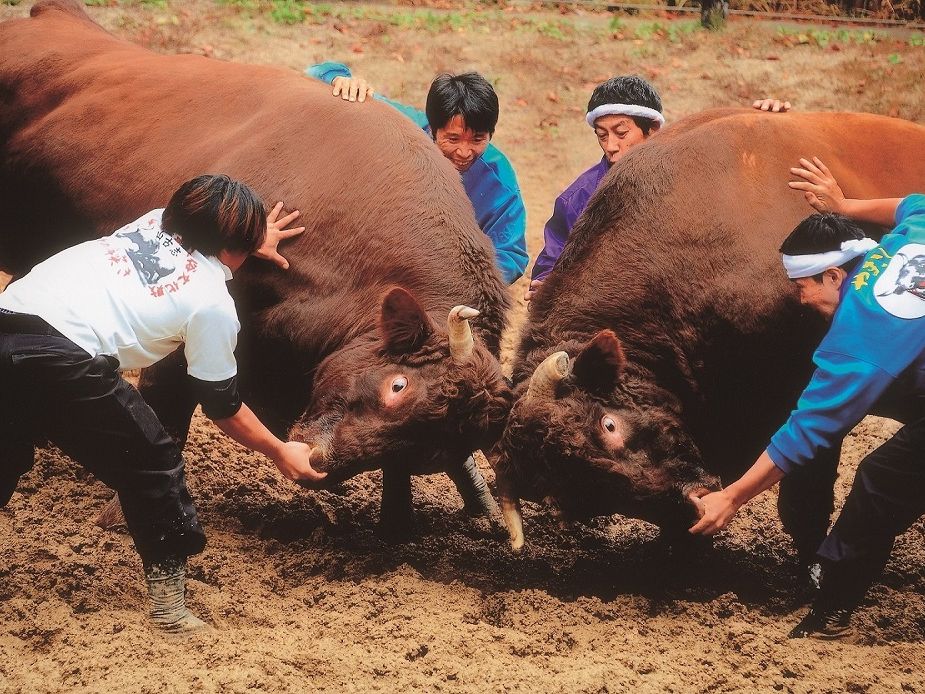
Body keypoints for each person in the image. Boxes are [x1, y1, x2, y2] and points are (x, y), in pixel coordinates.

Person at [0, 175, 326, 633]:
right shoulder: (212, 304)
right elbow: (221, 404)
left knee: (5, 448)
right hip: (63, 356)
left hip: (9, 319)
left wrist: (250, 241)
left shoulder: (151, 223)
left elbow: (195, 249)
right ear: (236, 245)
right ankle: (169, 611)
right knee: (152, 460)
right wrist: (278, 450)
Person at [689, 156, 925, 640]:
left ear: (835, 276)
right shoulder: (907, 238)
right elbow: (914, 205)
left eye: (802, 288)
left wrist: (732, 498)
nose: (800, 301)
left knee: (882, 480)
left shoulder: (859, 333)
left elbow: (807, 431)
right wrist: (845, 205)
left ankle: (831, 605)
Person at [524, 75, 790, 301]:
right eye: (602, 135)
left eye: (621, 132)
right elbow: (553, 260)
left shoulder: (694, 175)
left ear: (652, 130)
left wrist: (767, 123)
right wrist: (546, 282)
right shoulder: (578, 198)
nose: (611, 146)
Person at [306, 62, 528, 285]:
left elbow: (511, 254)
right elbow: (317, 73)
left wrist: (460, 281)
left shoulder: (500, 182)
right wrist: (339, 79)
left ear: (491, 134)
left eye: (477, 139)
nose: (464, 152)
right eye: (452, 139)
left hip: (447, 277)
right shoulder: (403, 127)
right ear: (432, 129)